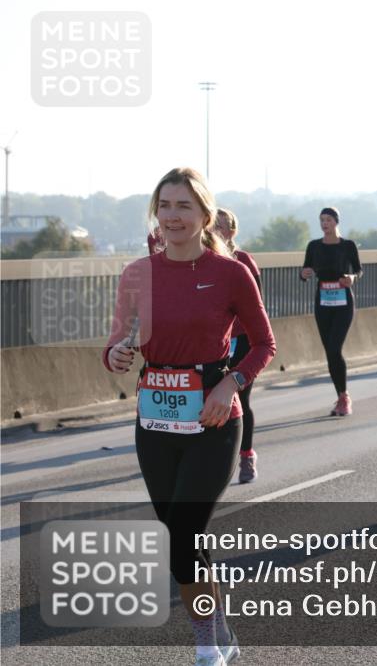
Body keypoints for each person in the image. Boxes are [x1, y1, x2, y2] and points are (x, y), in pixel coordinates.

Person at [104, 167, 276, 666]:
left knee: (183, 536)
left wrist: (231, 383)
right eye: (165, 206)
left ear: (205, 214)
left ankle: (206, 650)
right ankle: (219, 629)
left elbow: (264, 344)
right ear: (155, 214)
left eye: (184, 206)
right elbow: (118, 337)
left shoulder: (230, 272)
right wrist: (115, 354)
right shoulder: (138, 273)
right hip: (155, 419)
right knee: (181, 539)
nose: (173, 216)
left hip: (214, 417)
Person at [215, 208, 263, 483]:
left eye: (221, 227)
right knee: (212, 398)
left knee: (240, 398)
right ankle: (217, 458)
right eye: (211, 226)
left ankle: (246, 456)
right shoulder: (202, 260)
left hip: (243, 341)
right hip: (215, 342)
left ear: (232, 232)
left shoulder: (243, 260)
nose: (215, 232)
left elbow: (257, 306)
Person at [301, 207, 363, 417]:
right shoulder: (314, 246)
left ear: (336, 222)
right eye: (321, 220)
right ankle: (341, 397)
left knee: (335, 348)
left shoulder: (348, 245)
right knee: (329, 352)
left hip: (343, 301)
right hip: (323, 302)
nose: (324, 223)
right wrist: (305, 273)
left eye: (328, 220)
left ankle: (344, 397)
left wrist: (352, 278)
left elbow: (358, 270)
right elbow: (305, 271)